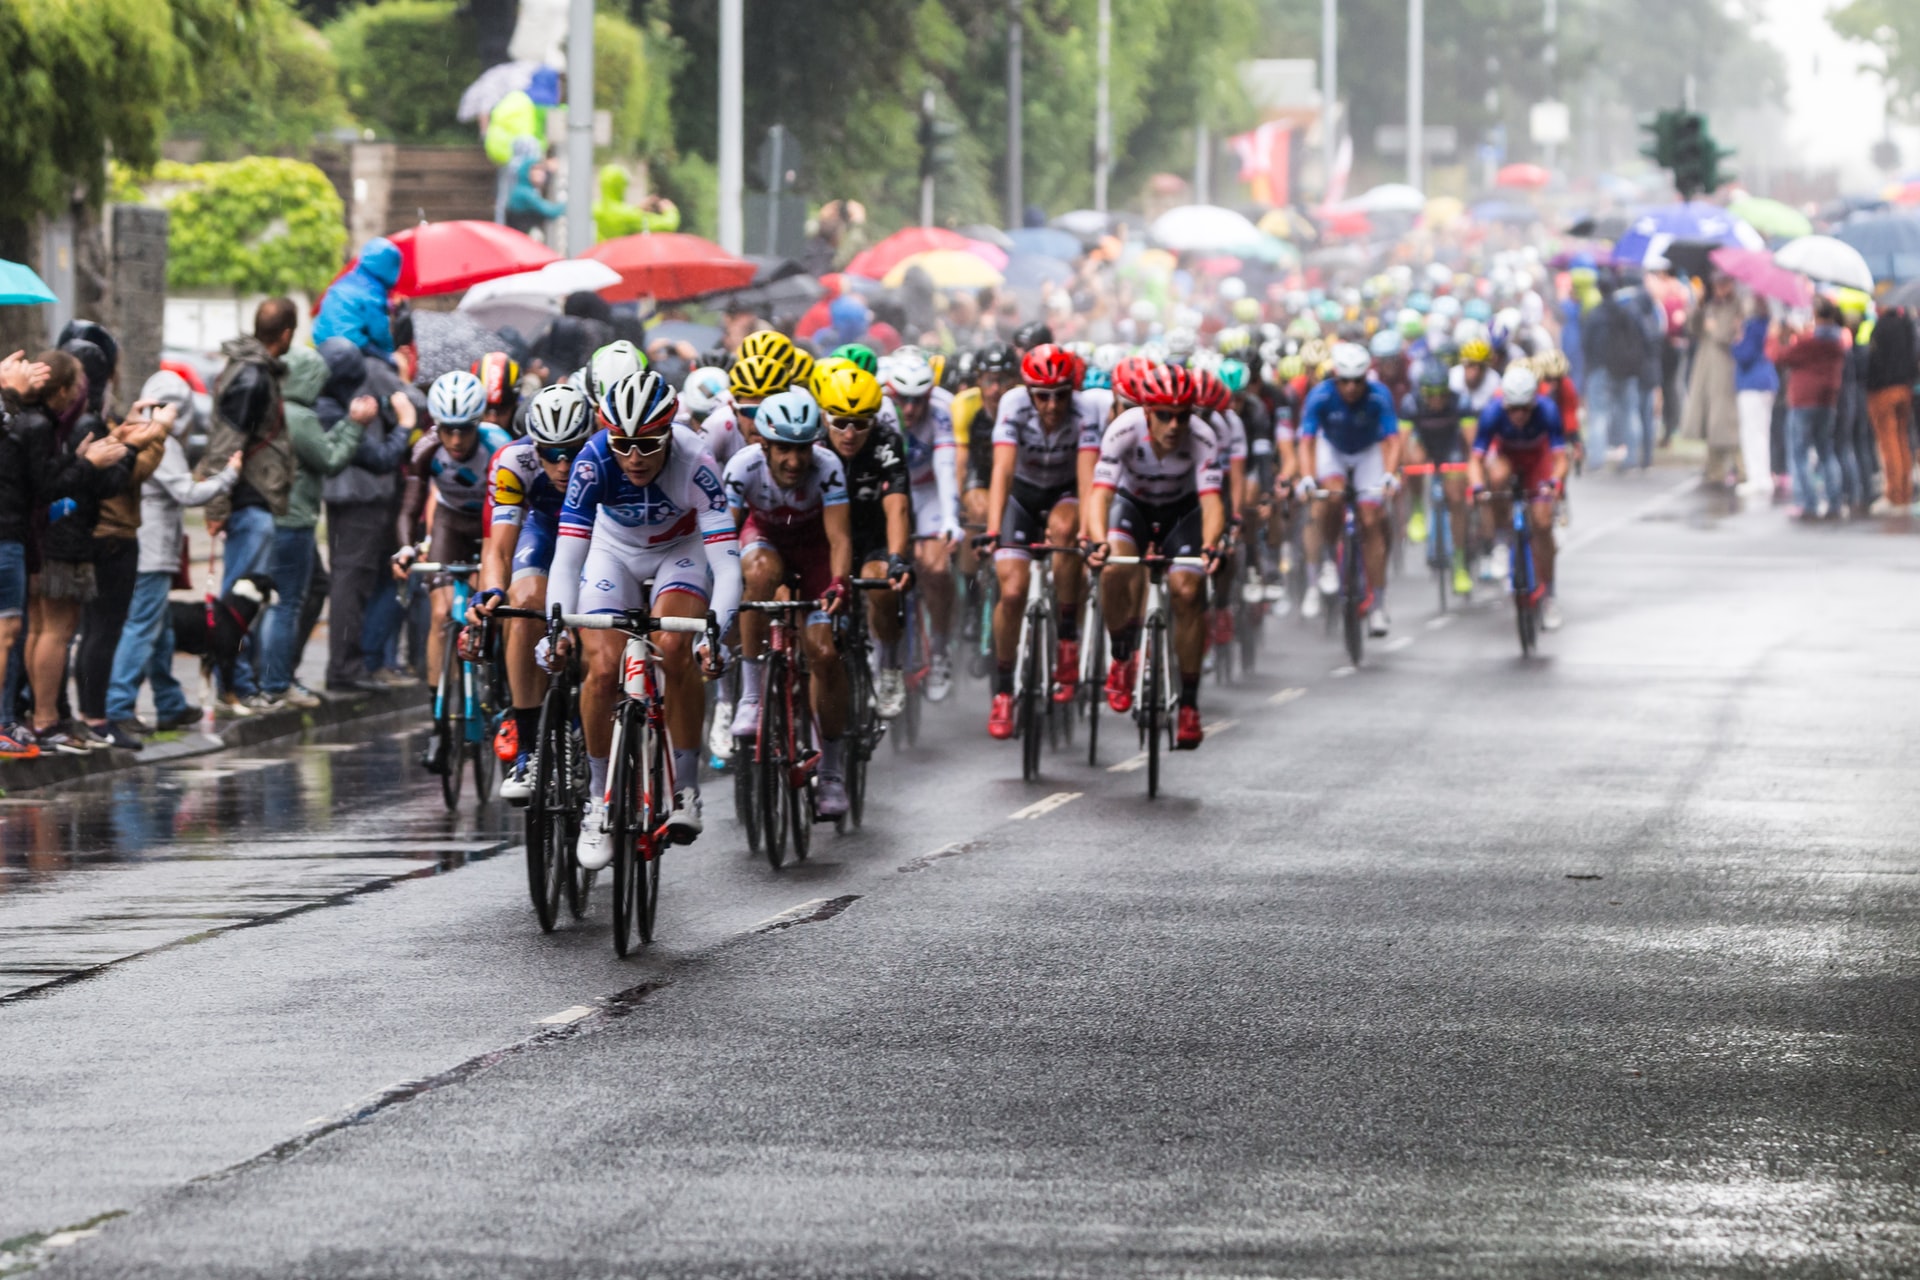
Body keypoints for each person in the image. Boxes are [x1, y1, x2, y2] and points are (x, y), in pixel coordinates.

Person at [543, 370, 739, 860]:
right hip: (614, 552)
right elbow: (567, 558)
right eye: (623, 443)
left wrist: (714, 634)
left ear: (669, 433)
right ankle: (595, 801)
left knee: (675, 646)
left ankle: (686, 787)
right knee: (603, 669)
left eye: (648, 445)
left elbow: (727, 566)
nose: (633, 457)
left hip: (681, 549)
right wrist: (557, 624)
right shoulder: (592, 463)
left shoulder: (697, 461)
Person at [724, 389, 855, 815]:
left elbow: (839, 538)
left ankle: (832, 772)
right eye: (783, 449)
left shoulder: (829, 467)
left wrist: (837, 583)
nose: (794, 462)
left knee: (824, 653)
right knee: (757, 576)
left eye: (801, 450)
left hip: (814, 550)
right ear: (763, 443)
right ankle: (751, 697)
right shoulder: (742, 467)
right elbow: (723, 538)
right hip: (764, 541)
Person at [1084, 363, 1224, 750]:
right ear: (1147, 412)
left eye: (1181, 415)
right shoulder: (1124, 429)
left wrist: (1211, 545)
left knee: (1187, 591)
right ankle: (1122, 654)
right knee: (1113, 569)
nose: (1174, 425)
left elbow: (1212, 503)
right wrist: (1097, 541)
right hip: (1134, 508)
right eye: (1164, 415)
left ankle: (1191, 705)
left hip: (1183, 513)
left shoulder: (1203, 436)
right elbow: (1100, 494)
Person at [467, 382, 595, 800]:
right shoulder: (513, 460)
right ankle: (527, 750)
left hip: (599, 537)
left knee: (598, 624)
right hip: (542, 532)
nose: (561, 465)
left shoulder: (605, 454)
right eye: (550, 453)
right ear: (533, 444)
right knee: (521, 608)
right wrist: (490, 591)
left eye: (571, 451)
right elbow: (499, 547)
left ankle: (587, 728)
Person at [104, 373, 243, 745]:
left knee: (159, 629)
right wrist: (228, 476)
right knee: (141, 627)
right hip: (152, 548)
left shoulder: (135, 431)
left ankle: (168, 701)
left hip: (150, 546)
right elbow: (185, 492)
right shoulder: (158, 440)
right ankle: (119, 706)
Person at [983, 344, 1099, 740]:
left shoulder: (1086, 412)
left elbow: (1087, 476)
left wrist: (1087, 532)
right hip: (1023, 493)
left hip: (1065, 491)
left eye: (1061, 395)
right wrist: (994, 529)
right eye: (1043, 395)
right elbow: (1002, 469)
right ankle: (1002, 690)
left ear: (1072, 391)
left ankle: (1067, 636)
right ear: (1029, 391)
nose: (1052, 405)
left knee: (1067, 532)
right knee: (1012, 592)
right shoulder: (1013, 404)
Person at [394, 371, 512, 753]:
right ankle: (438, 720)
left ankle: (502, 683)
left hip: (492, 527)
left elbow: (515, 509)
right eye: (448, 430)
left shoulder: (499, 446)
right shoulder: (426, 448)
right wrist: (406, 548)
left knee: (495, 604)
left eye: (465, 430)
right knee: (442, 616)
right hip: (450, 525)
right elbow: (410, 508)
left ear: (479, 423)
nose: (457, 440)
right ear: (436, 426)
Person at [197, 298, 299, 714]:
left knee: (240, 599)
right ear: (288, 334)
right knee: (237, 604)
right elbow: (226, 445)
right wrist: (216, 505)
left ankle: (237, 682)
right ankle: (233, 684)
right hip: (247, 500)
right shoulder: (253, 376)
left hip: (249, 499)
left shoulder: (250, 369)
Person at [259, 348, 371, 709]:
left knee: (277, 598)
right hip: (295, 520)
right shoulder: (301, 417)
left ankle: (266, 675)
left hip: (270, 516)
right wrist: (355, 426)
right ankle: (276, 681)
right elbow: (330, 459)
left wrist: (345, 423)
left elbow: (317, 450)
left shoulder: (275, 410)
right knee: (288, 602)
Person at [318, 339, 417, 692]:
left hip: (350, 497)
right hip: (359, 497)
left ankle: (351, 663)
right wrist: (405, 423)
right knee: (351, 581)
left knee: (354, 580)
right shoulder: (340, 403)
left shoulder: (332, 398)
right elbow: (381, 457)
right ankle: (345, 667)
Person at [818, 363, 915, 717]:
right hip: (825, 540)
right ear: (824, 416)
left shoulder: (886, 442)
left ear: (874, 420)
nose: (849, 433)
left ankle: (889, 666)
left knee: (882, 583)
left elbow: (898, 507)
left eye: (860, 423)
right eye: (840, 421)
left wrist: (896, 558)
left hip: (873, 533)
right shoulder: (810, 443)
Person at [1298, 343, 1401, 637]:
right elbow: (1306, 441)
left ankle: (1379, 605)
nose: (1352, 388)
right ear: (1335, 377)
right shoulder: (1320, 396)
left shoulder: (1379, 395)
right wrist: (1306, 476)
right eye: (1345, 381)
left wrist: (1390, 475)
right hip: (1333, 449)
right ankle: (1329, 559)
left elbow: (1393, 441)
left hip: (1367, 451)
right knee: (1332, 495)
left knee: (1371, 520)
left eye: (1358, 381)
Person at [881, 349, 961, 701]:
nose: (910, 410)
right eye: (903, 400)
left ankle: (940, 650)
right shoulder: (880, 408)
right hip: (888, 491)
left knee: (936, 567)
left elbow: (946, 470)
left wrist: (950, 519)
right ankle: (879, 655)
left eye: (918, 400)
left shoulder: (942, 411)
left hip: (926, 490)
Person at [1469, 364, 1568, 631]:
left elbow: (1560, 458)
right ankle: (1502, 539)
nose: (1520, 414)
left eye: (1526, 408)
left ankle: (1549, 597)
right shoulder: (1492, 413)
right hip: (1508, 457)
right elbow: (1475, 460)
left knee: (1543, 524)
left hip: (1538, 460)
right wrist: (1477, 487)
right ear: (1505, 404)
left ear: (1534, 402)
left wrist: (1554, 483)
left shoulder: (1547, 410)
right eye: (1514, 408)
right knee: (1497, 478)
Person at [1767, 299, 1850, 519]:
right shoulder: (1837, 342)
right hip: (1828, 401)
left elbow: (1779, 356)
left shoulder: (1809, 343)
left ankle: (1807, 503)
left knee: (1799, 453)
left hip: (1804, 401)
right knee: (1825, 451)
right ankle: (1834, 501)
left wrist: (1775, 336)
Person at [1399, 361, 1475, 599]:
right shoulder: (1411, 403)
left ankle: (1460, 563)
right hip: (1425, 445)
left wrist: (1471, 473)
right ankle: (1418, 509)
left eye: (1441, 394)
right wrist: (1400, 472)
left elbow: (1471, 444)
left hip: (1451, 447)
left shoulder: (1460, 402)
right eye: (1431, 395)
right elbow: (1402, 443)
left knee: (1455, 497)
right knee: (1412, 460)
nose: (1436, 400)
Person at [1682, 273, 1744, 486]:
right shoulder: (1710, 305)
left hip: (1724, 366)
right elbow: (1693, 329)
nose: (1719, 289)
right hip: (1706, 365)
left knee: (1724, 420)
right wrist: (1698, 308)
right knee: (1709, 417)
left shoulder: (1738, 306)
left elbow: (1728, 335)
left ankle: (1738, 466)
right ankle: (1714, 467)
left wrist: (1714, 328)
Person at [1865, 305, 1917, 511]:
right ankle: (1904, 492)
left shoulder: (1882, 327)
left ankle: (1895, 494)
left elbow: (1874, 361)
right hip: (1905, 387)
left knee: (1889, 443)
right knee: (1902, 440)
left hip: (1883, 390)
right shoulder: (1907, 325)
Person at [313, 241, 401, 365]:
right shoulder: (373, 291)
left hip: (323, 345)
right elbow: (379, 332)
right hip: (351, 345)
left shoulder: (346, 280)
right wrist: (390, 355)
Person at [1731, 297, 1779, 497]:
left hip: (1752, 383)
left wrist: (1737, 338)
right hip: (1767, 382)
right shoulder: (1769, 325)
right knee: (1762, 433)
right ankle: (1763, 476)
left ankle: (1756, 477)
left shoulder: (1752, 327)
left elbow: (1743, 355)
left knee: (1751, 434)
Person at [593, 164, 679, 241]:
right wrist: (670, 211)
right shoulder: (628, 215)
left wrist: (636, 209)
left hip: (597, 256)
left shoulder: (593, 209)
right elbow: (665, 225)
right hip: (619, 257)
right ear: (621, 186)